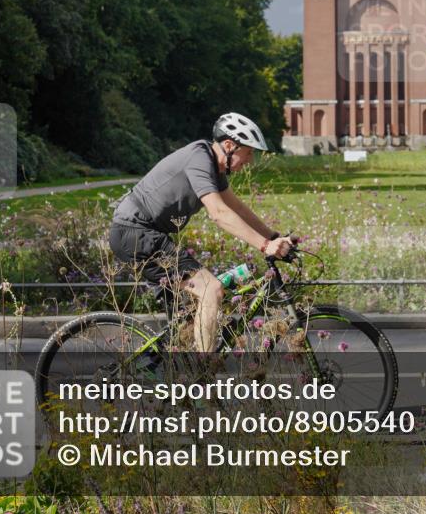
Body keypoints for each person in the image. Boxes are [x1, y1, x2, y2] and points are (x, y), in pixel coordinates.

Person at [108, 112, 294, 353]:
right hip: (135, 233)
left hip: (146, 234)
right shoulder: (199, 157)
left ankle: (178, 370)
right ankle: (204, 377)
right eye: (248, 153)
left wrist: (273, 237)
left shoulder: (215, 169)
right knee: (211, 289)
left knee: (185, 323)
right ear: (229, 146)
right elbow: (218, 213)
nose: (250, 161)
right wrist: (263, 245)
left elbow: (235, 207)